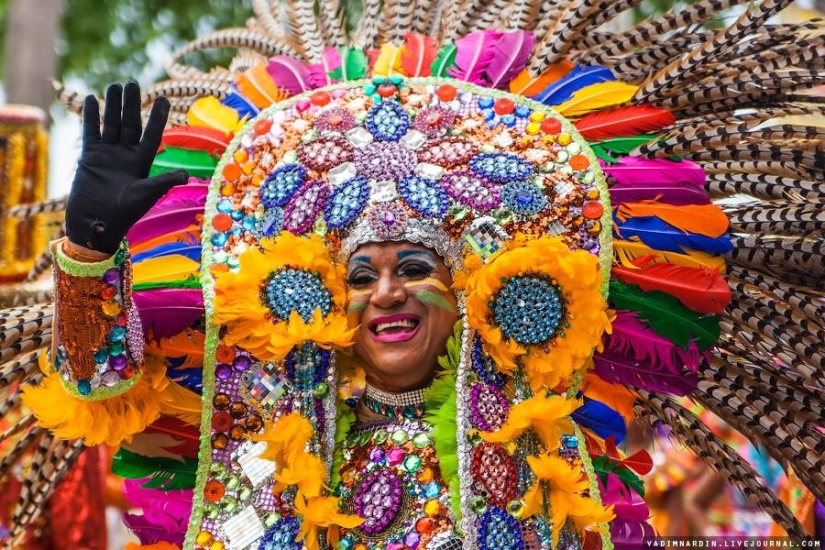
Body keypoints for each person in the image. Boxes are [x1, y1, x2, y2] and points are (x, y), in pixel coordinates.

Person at [4, 1, 824, 548]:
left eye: (416, 267)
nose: (388, 293)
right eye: (362, 275)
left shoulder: (542, 442)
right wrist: (89, 253)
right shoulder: (256, 415)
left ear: (469, 290)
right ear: (327, 294)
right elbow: (101, 386)